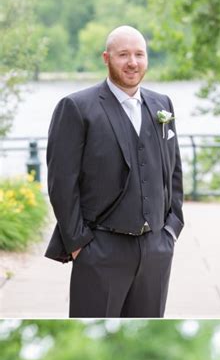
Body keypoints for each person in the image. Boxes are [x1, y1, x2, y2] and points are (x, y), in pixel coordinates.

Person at [45, 25, 184, 318]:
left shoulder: (163, 105)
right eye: (123, 55)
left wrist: (172, 228)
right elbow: (61, 182)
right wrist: (79, 244)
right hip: (100, 250)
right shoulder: (76, 107)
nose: (132, 62)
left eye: (139, 54)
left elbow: (173, 171)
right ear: (106, 58)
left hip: (156, 250)